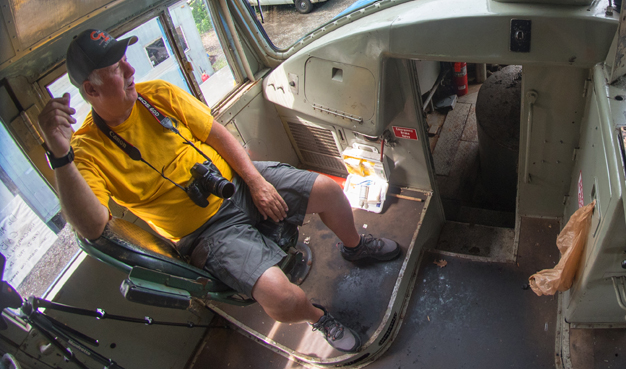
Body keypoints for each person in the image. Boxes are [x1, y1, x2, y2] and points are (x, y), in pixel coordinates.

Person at [38, 29, 399, 353]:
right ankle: (318, 317)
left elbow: (216, 134)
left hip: (237, 182)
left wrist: (256, 183)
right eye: (117, 69)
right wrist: (60, 155)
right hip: (206, 232)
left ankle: (355, 246)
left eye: (126, 62)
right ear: (91, 89)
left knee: (328, 190)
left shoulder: (156, 95)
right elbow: (92, 227)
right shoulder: (86, 150)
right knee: (280, 295)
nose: (132, 72)